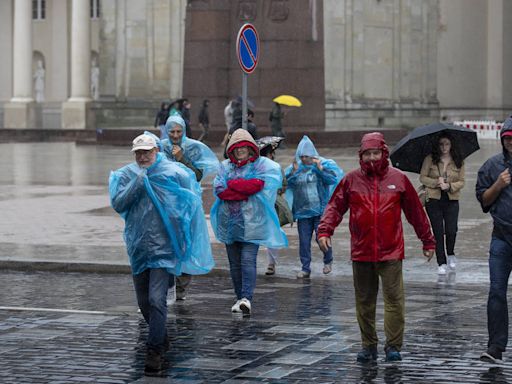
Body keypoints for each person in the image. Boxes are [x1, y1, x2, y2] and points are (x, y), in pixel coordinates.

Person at [317, 132, 435, 363]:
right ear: (361, 156)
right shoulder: (351, 180)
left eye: (376, 153)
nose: (372, 158)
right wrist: (324, 230)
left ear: (384, 153)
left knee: (394, 302)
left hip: (391, 252)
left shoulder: (399, 179)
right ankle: (368, 345)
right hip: (362, 251)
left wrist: (427, 240)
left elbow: (415, 213)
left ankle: (393, 345)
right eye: (367, 154)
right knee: (364, 302)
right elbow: (334, 206)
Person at [109, 133, 214, 375]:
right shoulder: (126, 175)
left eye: (147, 151)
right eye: (139, 153)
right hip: (139, 248)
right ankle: (162, 337)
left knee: (157, 299)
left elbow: (191, 205)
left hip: (166, 248)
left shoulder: (175, 173)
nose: (143, 156)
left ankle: (154, 351)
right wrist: (139, 182)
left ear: (157, 150)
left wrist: (185, 240)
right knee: (144, 303)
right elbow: (119, 203)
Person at [211, 129, 288, 315]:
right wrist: (243, 190)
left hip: (252, 224)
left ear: (251, 149)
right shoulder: (225, 166)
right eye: (236, 148)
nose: (240, 151)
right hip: (230, 224)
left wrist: (234, 185)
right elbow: (220, 190)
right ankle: (240, 298)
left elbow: (258, 185)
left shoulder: (261, 166)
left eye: (244, 147)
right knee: (235, 264)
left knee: (247, 260)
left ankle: (246, 297)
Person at [160, 114, 219, 300]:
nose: (175, 135)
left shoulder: (192, 147)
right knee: (167, 244)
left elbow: (198, 174)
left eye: (179, 131)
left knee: (186, 243)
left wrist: (182, 158)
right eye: (172, 131)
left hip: (188, 205)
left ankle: (182, 286)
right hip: (165, 204)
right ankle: (167, 284)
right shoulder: (160, 147)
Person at [476, 119, 512, 364]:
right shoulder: (492, 166)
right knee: (496, 292)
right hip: (501, 239)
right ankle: (495, 347)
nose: (511, 142)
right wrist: (499, 184)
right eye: (507, 138)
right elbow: (485, 202)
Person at [285, 136, 343, 278]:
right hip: (302, 213)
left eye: (307, 156)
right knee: (304, 242)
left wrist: (319, 170)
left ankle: (328, 260)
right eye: (302, 156)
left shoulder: (321, 166)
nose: (305, 159)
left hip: (320, 212)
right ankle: (305, 267)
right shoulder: (295, 169)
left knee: (321, 238)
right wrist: (294, 173)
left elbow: (332, 180)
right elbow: (288, 185)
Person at [419, 132, 465, 275]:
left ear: (451, 145)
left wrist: (449, 186)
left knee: (451, 230)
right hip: (433, 199)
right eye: (441, 144)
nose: (444, 147)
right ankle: (441, 262)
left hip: (452, 199)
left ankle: (450, 253)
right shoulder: (430, 159)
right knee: (438, 231)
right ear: (437, 145)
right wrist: (435, 183)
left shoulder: (459, 160)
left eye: (447, 144)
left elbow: (462, 181)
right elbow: (422, 178)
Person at [256, 137, 293, 276]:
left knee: (271, 233)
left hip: (272, 206)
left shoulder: (276, 168)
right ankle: (257, 261)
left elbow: (283, 185)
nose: (273, 155)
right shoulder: (256, 168)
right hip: (258, 206)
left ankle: (271, 264)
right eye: (271, 152)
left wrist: (275, 190)